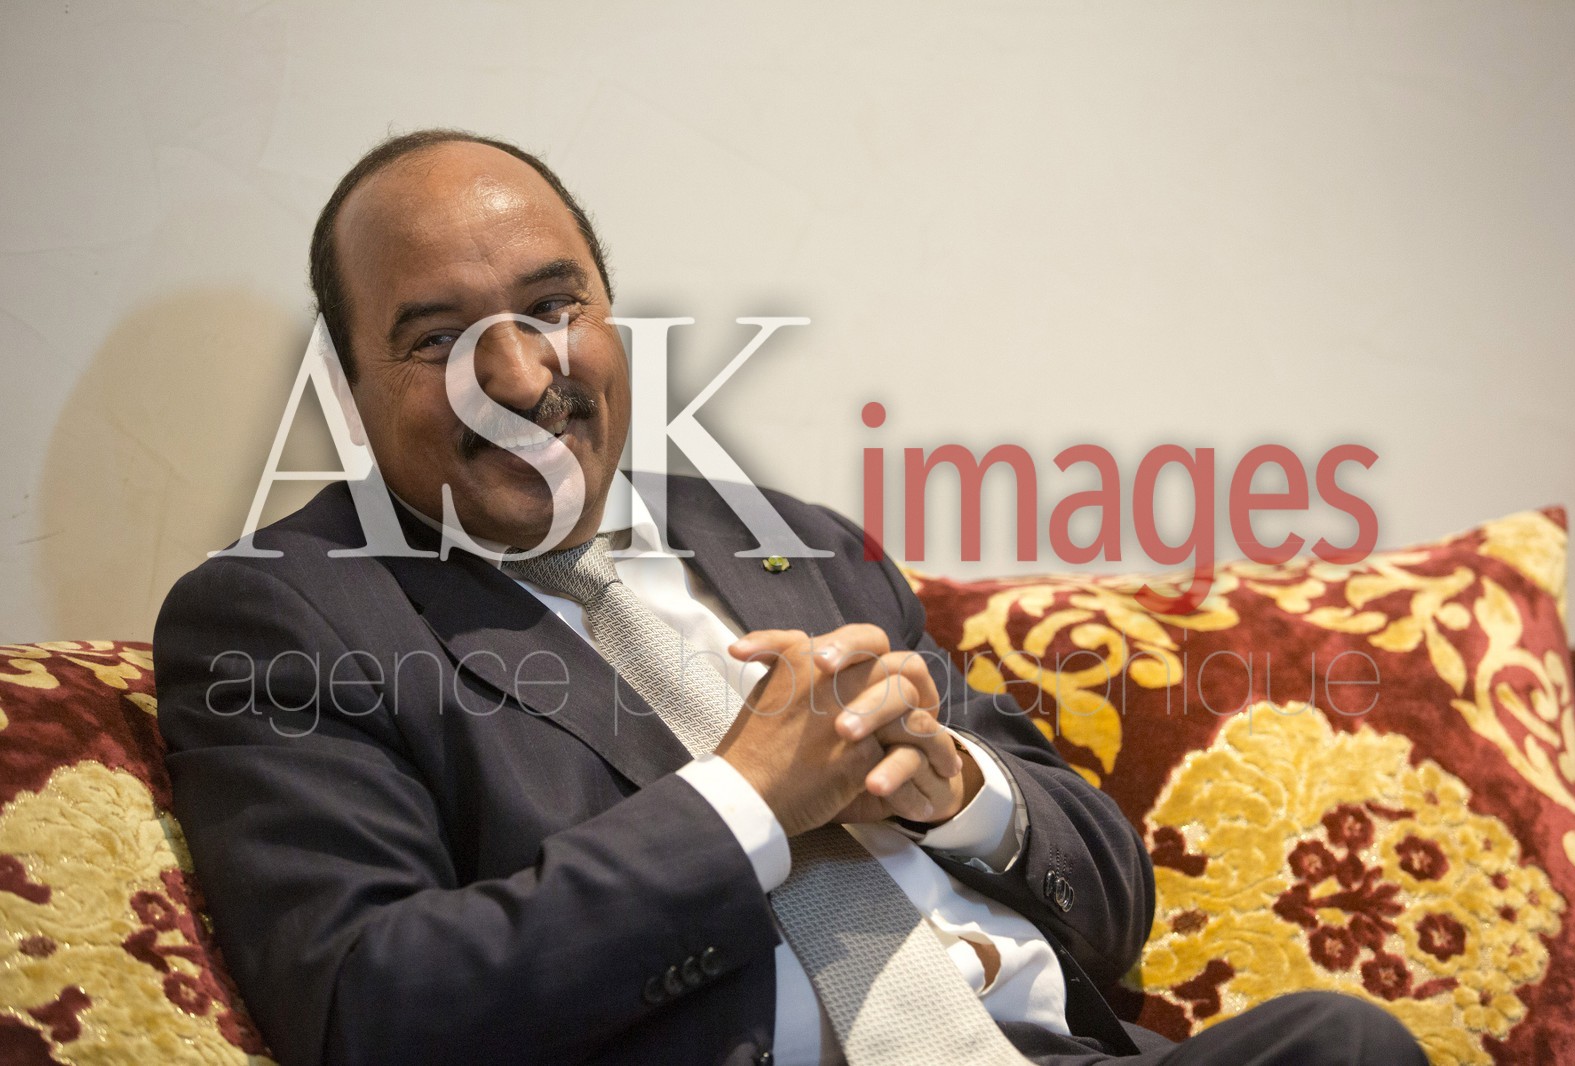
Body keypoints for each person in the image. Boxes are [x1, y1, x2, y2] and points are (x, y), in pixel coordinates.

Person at [153, 129, 1426, 1066]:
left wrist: (960, 793)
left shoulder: (790, 544)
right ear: (348, 387)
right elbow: (374, 1011)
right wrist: (746, 799)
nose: (522, 376)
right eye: (437, 339)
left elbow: (1108, 896)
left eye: (553, 307)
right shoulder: (282, 620)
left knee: (1340, 1047)